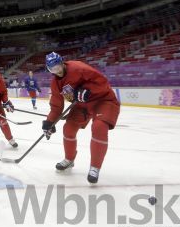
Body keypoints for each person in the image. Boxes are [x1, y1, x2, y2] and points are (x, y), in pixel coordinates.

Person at [42, 52, 121, 184]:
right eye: (52, 69)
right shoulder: (55, 83)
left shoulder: (78, 68)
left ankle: (95, 167)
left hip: (103, 100)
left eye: (58, 67)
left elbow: (102, 82)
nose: (57, 71)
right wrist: (49, 122)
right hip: (82, 106)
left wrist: (88, 89)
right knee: (68, 128)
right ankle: (69, 159)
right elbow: (56, 106)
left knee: (99, 127)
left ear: (62, 63)